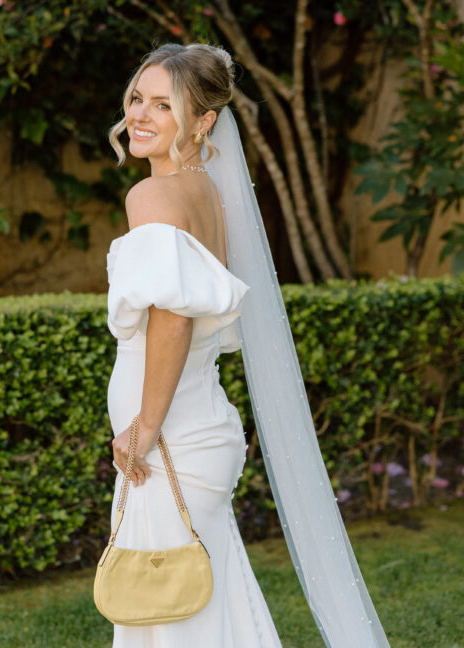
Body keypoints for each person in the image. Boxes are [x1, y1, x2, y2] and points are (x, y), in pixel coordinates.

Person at [103, 43, 390, 648]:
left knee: (168, 612)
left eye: (164, 104)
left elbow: (174, 320)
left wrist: (144, 428)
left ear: (202, 121)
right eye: (137, 98)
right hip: (200, 425)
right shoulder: (207, 191)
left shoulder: (151, 197)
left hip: (169, 437)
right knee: (206, 599)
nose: (141, 115)